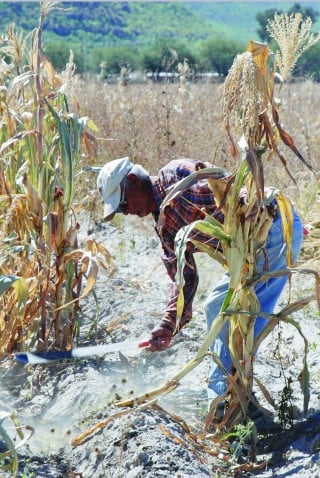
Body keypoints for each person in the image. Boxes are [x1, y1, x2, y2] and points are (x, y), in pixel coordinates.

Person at [97, 156, 304, 410]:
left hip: (269, 230)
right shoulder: (165, 227)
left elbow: (230, 189)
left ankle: (224, 404)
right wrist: (168, 325)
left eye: (122, 204)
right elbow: (184, 278)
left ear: (132, 181)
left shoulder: (177, 175)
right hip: (249, 251)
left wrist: (256, 212)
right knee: (217, 308)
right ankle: (228, 399)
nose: (125, 212)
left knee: (229, 313)